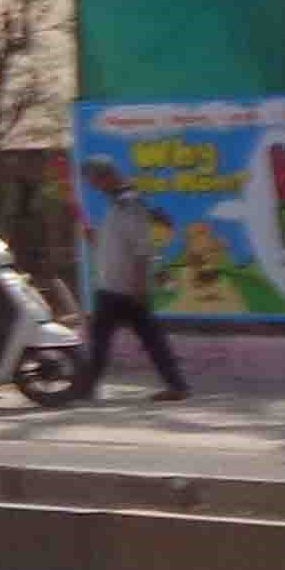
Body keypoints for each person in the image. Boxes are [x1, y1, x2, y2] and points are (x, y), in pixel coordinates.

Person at [82, 157, 188, 397]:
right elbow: (119, 246)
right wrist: (95, 240)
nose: (96, 187)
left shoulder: (129, 205)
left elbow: (142, 248)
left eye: (97, 181)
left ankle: (85, 387)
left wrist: (140, 286)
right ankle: (177, 385)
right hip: (115, 285)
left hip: (124, 288)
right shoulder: (117, 205)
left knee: (107, 339)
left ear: (108, 177)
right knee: (141, 339)